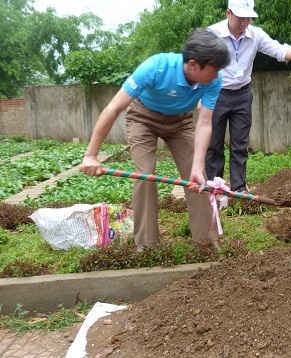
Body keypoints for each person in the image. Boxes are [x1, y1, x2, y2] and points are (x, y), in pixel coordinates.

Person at [80, 28, 231, 249]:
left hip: (180, 121)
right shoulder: (156, 67)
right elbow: (113, 108)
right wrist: (91, 155)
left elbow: (205, 122)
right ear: (193, 65)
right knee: (145, 175)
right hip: (143, 118)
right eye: (214, 69)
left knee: (197, 179)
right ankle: (147, 245)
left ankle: (206, 242)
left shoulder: (213, 81)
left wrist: (198, 166)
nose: (217, 75)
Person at [206, 0, 291, 192]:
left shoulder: (255, 35)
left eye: (248, 18)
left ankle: (239, 189)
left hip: (242, 94)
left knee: (240, 145)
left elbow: (279, 51)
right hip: (216, 93)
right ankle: (213, 188)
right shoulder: (212, 34)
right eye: (240, 17)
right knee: (213, 144)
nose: (245, 22)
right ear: (228, 13)